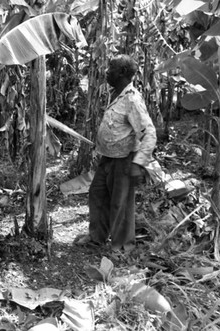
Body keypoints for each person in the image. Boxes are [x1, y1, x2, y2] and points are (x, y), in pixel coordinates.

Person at [75, 54, 157, 252]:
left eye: (110, 68)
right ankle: (97, 238)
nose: (106, 71)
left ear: (121, 73)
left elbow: (149, 133)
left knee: (120, 204)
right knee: (97, 195)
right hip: (108, 158)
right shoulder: (116, 94)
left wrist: (138, 163)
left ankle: (122, 248)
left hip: (124, 161)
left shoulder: (132, 100)